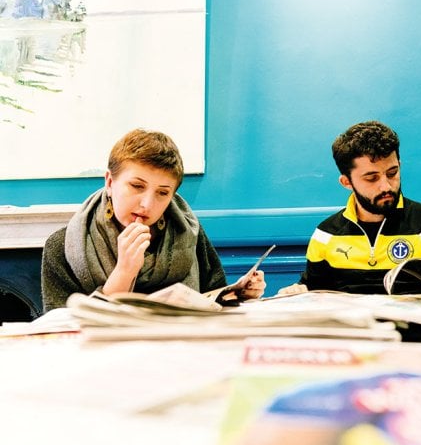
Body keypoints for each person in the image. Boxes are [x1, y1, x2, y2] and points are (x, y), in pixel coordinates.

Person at [41, 128, 266, 311]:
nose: (147, 204)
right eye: (137, 186)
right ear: (109, 182)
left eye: (162, 193)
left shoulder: (188, 232)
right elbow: (61, 333)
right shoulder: (62, 246)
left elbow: (214, 298)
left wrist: (239, 294)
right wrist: (124, 271)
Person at [281, 120, 421, 295]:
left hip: (415, 333)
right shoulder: (326, 234)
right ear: (346, 182)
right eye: (372, 178)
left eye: (392, 173)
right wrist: (295, 292)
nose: (386, 186)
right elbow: (311, 290)